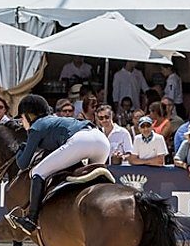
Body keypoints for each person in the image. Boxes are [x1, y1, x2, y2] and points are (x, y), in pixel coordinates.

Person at [7, 95, 113, 235]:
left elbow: (23, 164)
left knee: (37, 172)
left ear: (29, 115)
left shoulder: (36, 127)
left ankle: (31, 219)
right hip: (102, 141)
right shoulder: (56, 121)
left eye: (21, 117)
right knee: (93, 185)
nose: (21, 121)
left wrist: (21, 149)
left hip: (80, 141)